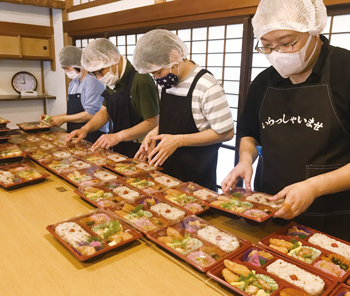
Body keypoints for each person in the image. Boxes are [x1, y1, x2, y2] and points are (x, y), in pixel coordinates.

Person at [222, 0, 350, 241]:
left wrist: (314, 186)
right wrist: (245, 160)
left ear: (313, 30)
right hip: (270, 210)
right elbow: (249, 132)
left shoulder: (345, 71)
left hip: (331, 218)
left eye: (286, 43)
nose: (277, 54)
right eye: (267, 46)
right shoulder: (263, 82)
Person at [133, 29, 234, 191]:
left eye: (159, 72)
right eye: (153, 74)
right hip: (167, 171)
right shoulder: (166, 83)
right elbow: (171, 120)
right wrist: (154, 133)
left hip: (196, 174)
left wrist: (179, 140)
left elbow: (227, 133)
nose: (158, 78)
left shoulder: (206, 86)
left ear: (175, 56)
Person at [65, 39, 159, 158]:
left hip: (140, 149)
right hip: (119, 146)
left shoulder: (141, 79)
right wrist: (85, 129)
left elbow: (153, 122)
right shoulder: (113, 78)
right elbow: (104, 113)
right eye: (94, 74)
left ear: (114, 58)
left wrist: (118, 136)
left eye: (101, 71)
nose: (99, 77)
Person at [40, 45, 108, 143]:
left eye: (67, 68)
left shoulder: (92, 81)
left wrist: (63, 119)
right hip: (74, 132)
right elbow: (73, 112)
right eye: (64, 69)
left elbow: (91, 113)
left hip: (92, 134)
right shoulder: (73, 83)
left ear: (79, 64)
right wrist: (52, 118)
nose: (66, 72)